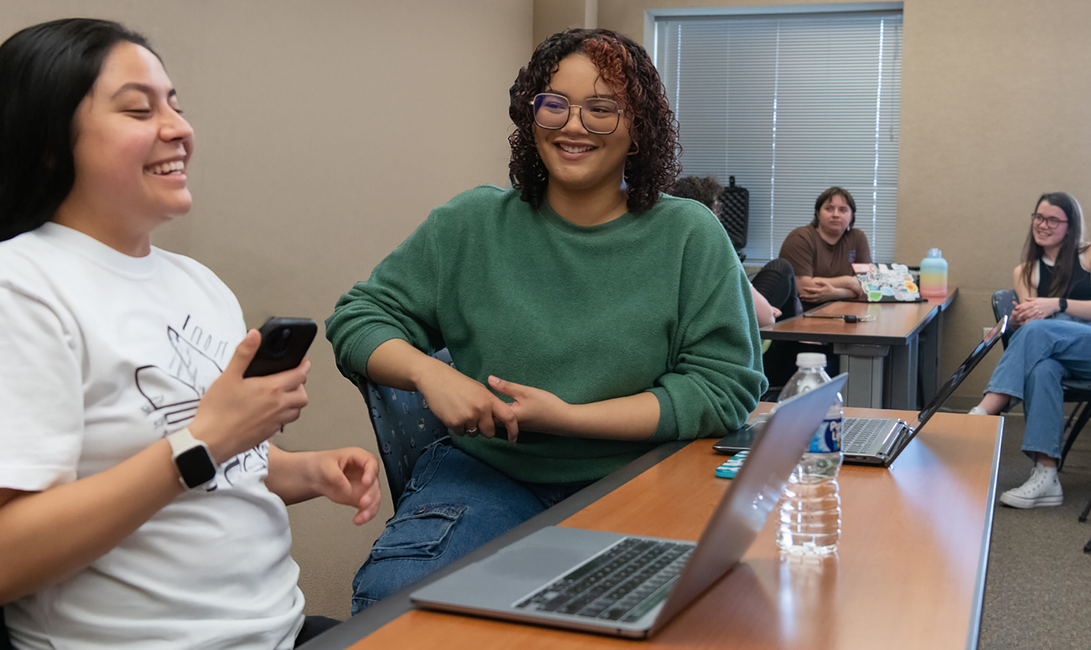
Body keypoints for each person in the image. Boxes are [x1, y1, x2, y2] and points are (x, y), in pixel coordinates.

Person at [0, 19, 381, 649]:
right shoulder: (3, 290)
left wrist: (305, 470)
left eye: (174, 104)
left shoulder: (197, 284)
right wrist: (209, 437)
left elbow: (185, 452)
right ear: (47, 143)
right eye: (139, 109)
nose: (178, 127)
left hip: (281, 633)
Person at [326, 28, 766, 614]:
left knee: (692, 615)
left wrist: (571, 418)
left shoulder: (689, 235)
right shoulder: (471, 223)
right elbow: (358, 317)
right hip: (490, 474)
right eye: (554, 104)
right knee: (393, 607)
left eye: (601, 109)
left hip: (640, 475)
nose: (573, 125)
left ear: (638, 130)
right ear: (531, 116)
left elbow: (723, 386)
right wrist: (431, 375)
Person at [969, 192, 1091, 508]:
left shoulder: (1088, 256)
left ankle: (987, 408)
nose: (1043, 225)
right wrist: (1024, 316)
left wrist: (1057, 304)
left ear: (1071, 225)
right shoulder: (1025, 271)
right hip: (1060, 353)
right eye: (1039, 217)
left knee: (1039, 331)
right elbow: (1031, 322)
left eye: (1053, 219)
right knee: (1041, 369)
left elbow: (1045, 317)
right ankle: (1046, 476)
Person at [667, 175, 802, 329]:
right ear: (710, 210)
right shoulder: (713, 249)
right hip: (735, 334)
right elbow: (766, 319)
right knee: (782, 267)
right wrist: (767, 311)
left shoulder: (665, 246)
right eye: (718, 207)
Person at [778, 186, 872, 311]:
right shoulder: (800, 237)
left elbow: (868, 287)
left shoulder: (858, 238)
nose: (836, 214)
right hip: (804, 315)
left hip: (848, 312)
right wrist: (850, 282)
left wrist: (837, 293)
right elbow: (805, 288)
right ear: (818, 213)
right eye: (829, 209)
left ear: (852, 216)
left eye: (843, 210)